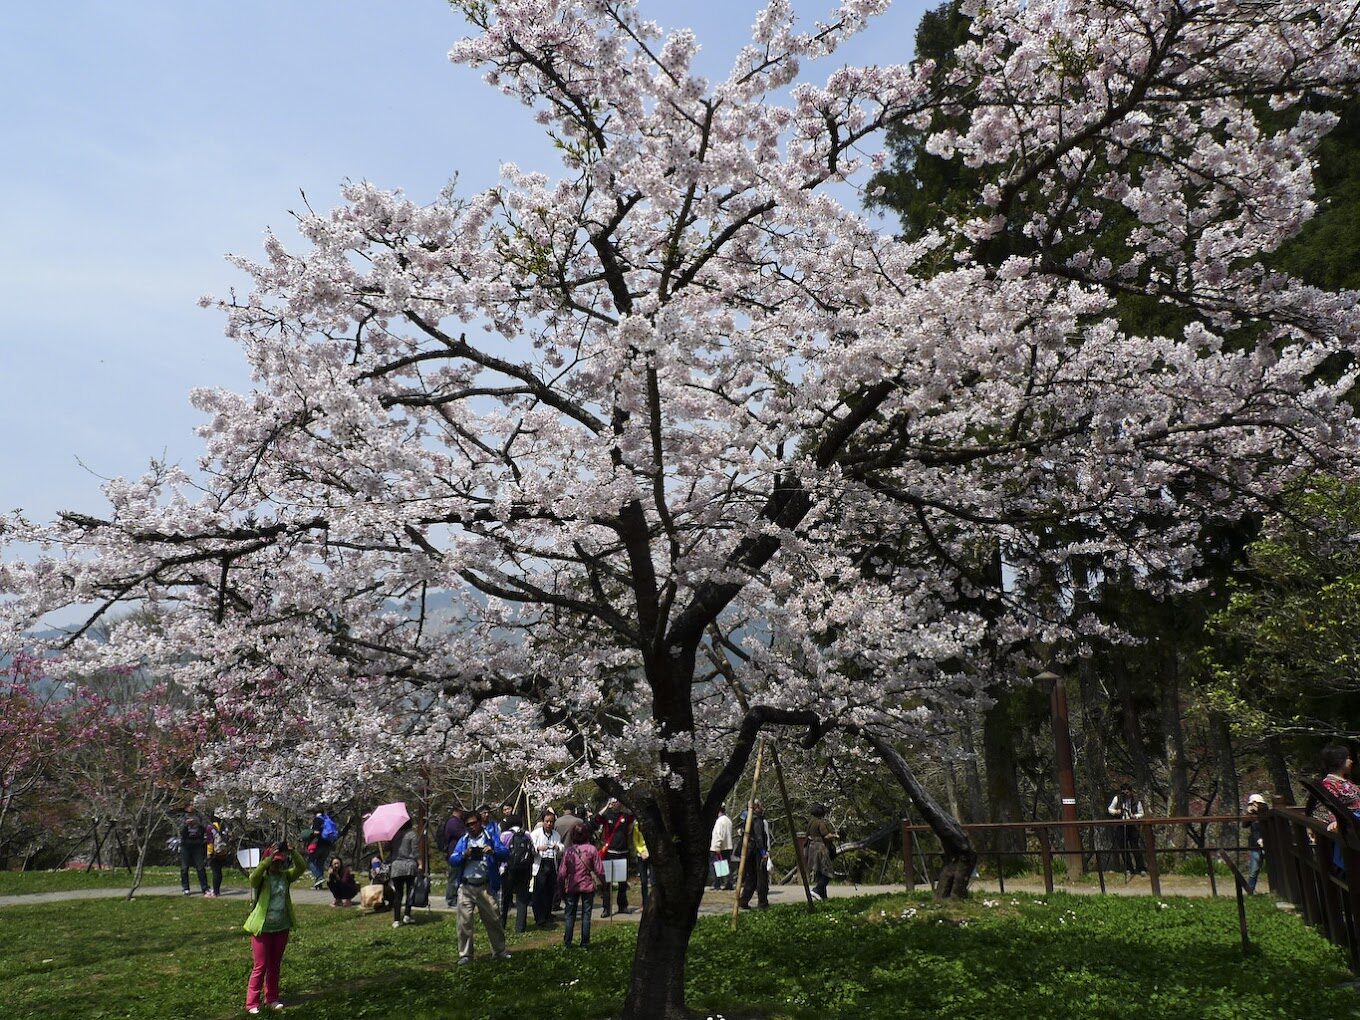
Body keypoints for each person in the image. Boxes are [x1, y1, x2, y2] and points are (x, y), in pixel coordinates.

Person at [243, 844, 306, 1014]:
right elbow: (253, 878)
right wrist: (267, 859)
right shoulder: (263, 879)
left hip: (281, 927)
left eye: (279, 862)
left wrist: (292, 852)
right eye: (274, 863)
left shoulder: (286, 877)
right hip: (263, 928)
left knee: (274, 965)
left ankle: (271, 998)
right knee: (260, 965)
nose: (277, 866)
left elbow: (301, 867)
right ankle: (252, 1003)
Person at [449, 810, 512, 963]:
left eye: (473, 823)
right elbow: (453, 859)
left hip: (485, 886)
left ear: (480, 822)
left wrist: (493, 851)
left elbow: (505, 853)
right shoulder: (464, 840)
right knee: (464, 923)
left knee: (493, 920)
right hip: (467, 886)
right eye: (468, 825)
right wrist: (464, 855)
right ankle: (465, 955)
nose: (471, 827)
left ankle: (499, 951)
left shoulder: (490, 837)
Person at [557, 822, 604, 948]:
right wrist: (604, 884)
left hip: (572, 886)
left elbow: (562, 874)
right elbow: (599, 870)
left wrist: (561, 891)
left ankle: (568, 942)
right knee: (586, 915)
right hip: (587, 886)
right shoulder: (592, 850)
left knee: (570, 915)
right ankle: (585, 943)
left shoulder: (569, 852)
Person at [596, 798, 635, 916]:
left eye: (617, 801)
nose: (614, 803)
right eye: (612, 802)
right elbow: (597, 818)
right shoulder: (607, 816)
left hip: (623, 851)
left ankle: (622, 906)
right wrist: (606, 806)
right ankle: (606, 908)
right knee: (607, 883)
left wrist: (626, 802)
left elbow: (633, 815)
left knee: (622, 882)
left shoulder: (625, 816)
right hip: (610, 852)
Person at [499, 813, 534, 934]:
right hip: (524, 870)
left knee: (505, 898)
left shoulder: (505, 835)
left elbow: (500, 851)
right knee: (522, 899)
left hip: (508, 870)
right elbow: (532, 851)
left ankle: (502, 924)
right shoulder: (527, 835)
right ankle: (520, 927)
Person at [737, 800, 774, 910]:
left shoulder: (747, 818)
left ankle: (744, 900)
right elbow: (759, 836)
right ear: (756, 807)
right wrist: (763, 852)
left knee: (751, 877)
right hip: (756, 851)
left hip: (748, 851)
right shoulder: (756, 819)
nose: (762, 808)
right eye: (761, 806)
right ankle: (762, 903)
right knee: (761, 877)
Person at [529, 810, 562, 925]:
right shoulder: (536, 834)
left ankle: (548, 914)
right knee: (539, 891)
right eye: (547, 821)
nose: (549, 824)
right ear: (543, 821)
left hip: (551, 863)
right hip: (540, 863)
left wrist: (558, 847)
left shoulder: (556, 835)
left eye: (551, 822)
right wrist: (538, 848)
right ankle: (539, 917)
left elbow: (561, 847)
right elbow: (530, 848)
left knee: (550, 890)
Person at [1107, 784, 1147, 875]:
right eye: (1124, 792)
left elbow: (1141, 813)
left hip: (1132, 825)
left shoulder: (1136, 800)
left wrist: (1135, 816)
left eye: (1127, 792)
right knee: (1123, 847)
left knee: (1135, 847)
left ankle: (1141, 868)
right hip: (1121, 825)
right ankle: (1129, 868)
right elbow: (1110, 809)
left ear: (1131, 792)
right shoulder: (1117, 799)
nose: (1126, 794)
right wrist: (1116, 812)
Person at [387, 819, 420, 927]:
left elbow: (389, 849)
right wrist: (420, 863)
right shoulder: (412, 834)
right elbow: (415, 851)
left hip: (396, 866)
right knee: (410, 892)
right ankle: (407, 915)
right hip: (409, 866)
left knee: (398, 894)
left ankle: (396, 919)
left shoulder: (393, 835)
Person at [804, 803, 838, 900]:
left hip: (812, 848)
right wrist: (835, 836)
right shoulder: (820, 822)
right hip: (820, 849)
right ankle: (817, 890)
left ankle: (823, 896)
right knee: (828, 872)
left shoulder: (811, 822)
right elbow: (826, 836)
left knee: (821, 872)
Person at [439, 808, 469, 908]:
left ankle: (457, 898)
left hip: (460, 853)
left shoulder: (459, 821)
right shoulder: (453, 822)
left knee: (458, 876)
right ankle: (451, 899)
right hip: (454, 853)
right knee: (454, 877)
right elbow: (462, 834)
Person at [179, 807, 210, 896]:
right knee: (184, 867)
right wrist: (186, 824)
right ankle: (185, 888)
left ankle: (205, 887)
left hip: (197, 844)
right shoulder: (182, 818)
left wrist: (198, 823)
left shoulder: (199, 817)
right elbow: (180, 830)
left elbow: (206, 827)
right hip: (186, 845)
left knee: (200, 867)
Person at [1243, 794, 1267, 893]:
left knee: (1274, 868)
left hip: (1268, 843)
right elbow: (1244, 825)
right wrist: (1249, 814)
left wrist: (1259, 809)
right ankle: (1250, 890)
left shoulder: (1266, 814)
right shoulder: (1251, 816)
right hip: (1255, 845)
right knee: (1254, 870)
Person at [307, 808, 336, 889]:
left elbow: (316, 832)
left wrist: (309, 834)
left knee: (310, 862)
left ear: (315, 813)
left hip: (318, 845)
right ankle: (318, 885)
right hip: (327, 846)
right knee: (320, 863)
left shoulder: (317, 819)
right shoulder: (327, 819)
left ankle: (319, 877)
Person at [206, 814, 230, 898]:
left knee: (216, 872)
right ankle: (217, 890)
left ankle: (215, 892)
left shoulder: (210, 828)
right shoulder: (225, 827)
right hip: (223, 852)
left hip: (214, 852)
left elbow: (210, 842)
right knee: (219, 872)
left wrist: (209, 853)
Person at [710, 804, 734, 890]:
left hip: (719, 847)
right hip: (727, 846)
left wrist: (717, 846)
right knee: (726, 866)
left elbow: (719, 835)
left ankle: (717, 884)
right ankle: (729, 883)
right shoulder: (728, 820)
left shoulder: (719, 821)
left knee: (715, 866)